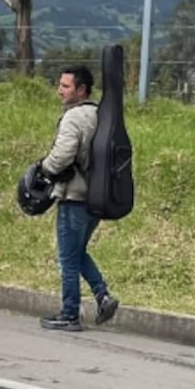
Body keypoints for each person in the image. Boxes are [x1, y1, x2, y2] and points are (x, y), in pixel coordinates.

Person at [38, 64, 119, 332]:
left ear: (81, 90)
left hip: (73, 197)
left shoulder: (74, 118)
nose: (59, 91)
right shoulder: (100, 114)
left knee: (67, 259)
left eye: (65, 86)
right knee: (77, 252)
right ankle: (103, 296)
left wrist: (43, 169)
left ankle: (70, 313)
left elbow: (62, 156)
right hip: (98, 197)